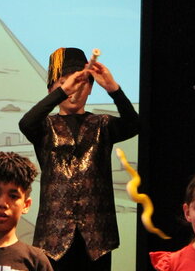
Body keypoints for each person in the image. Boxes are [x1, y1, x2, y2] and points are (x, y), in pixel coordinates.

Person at [18, 47, 140, 271]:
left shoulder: (103, 124)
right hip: (53, 239)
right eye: (64, 83)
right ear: (52, 89)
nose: (73, 91)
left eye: (81, 84)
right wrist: (63, 91)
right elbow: (25, 123)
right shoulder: (44, 127)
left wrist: (113, 89)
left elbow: (134, 125)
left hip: (97, 240)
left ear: (91, 88)